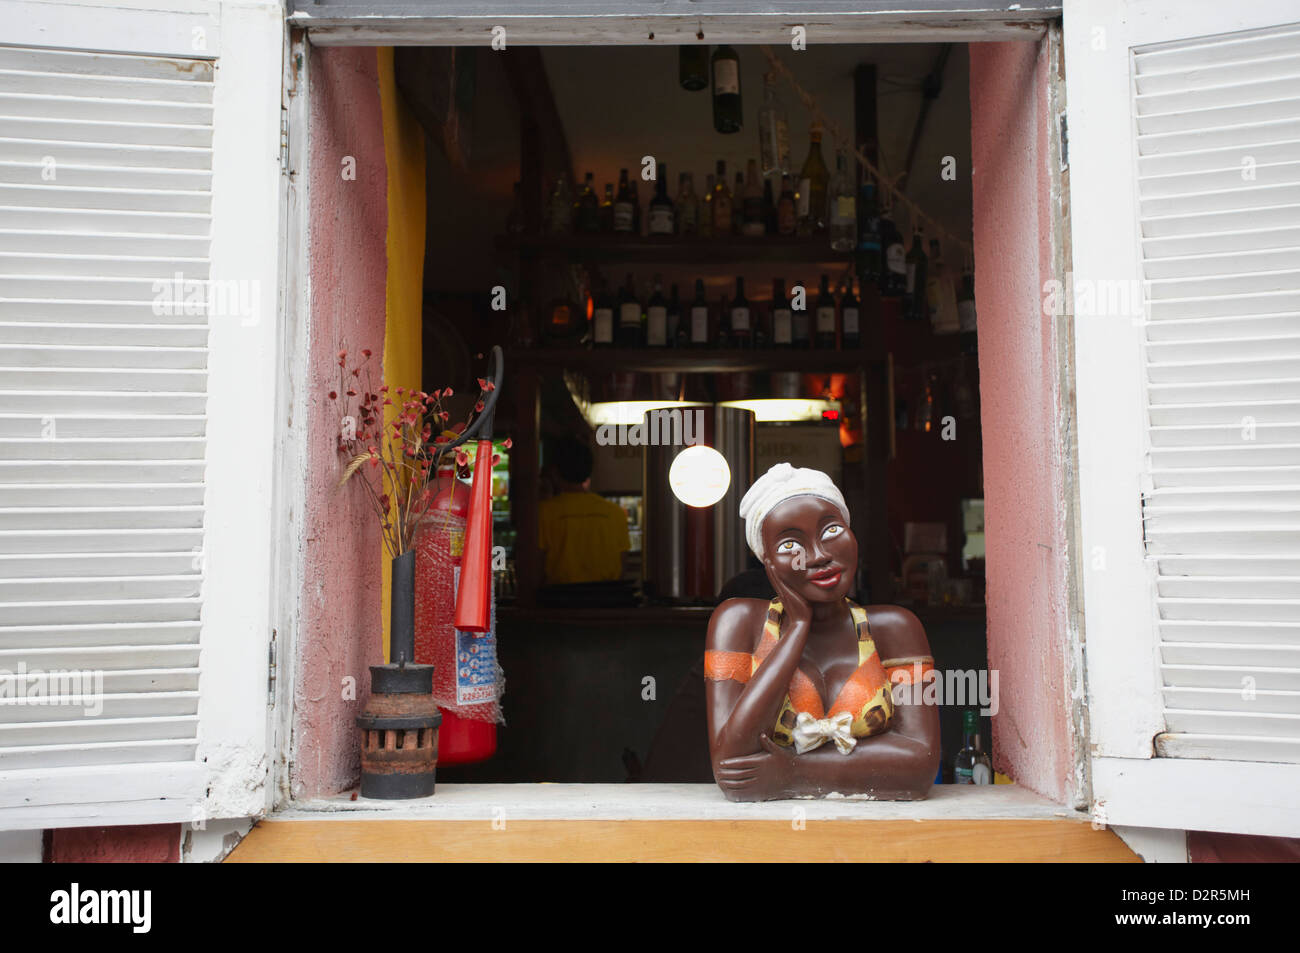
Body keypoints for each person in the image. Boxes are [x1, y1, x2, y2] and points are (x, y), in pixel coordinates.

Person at [704, 462, 940, 801]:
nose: (817, 556)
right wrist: (798, 627)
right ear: (766, 562)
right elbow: (731, 765)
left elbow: (921, 764)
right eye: (789, 546)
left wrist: (791, 773)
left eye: (831, 531)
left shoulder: (895, 628)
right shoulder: (737, 622)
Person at [537, 437, 630, 585]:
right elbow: (622, 565)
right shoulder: (615, 513)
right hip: (608, 599)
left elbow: (537, 567)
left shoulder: (544, 512)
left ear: (554, 472)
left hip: (558, 601)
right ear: (589, 472)